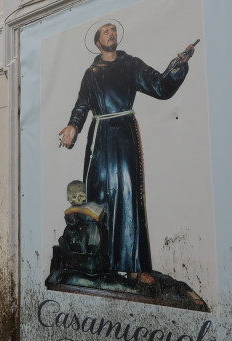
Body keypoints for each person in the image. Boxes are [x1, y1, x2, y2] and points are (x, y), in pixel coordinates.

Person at [57, 21, 196, 281]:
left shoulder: (131, 64)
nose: (111, 34)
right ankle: (102, 262)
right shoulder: (92, 73)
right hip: (99, 138)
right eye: (105, 32)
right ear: (98, 43)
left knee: (129, 195)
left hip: (124, 135)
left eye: (113, 30)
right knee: (98, 197)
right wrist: (72, 127)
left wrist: (178, 65)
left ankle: (135, 266)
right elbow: (81, 106)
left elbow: (159, 86)